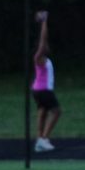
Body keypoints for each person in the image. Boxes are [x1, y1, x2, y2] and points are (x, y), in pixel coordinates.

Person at [32, 10, 61, 152]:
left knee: (43, 111)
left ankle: (40, 140)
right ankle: (44, 138)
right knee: (56, 112)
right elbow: (43, 40)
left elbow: (44, 41)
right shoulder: (39, 57)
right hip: (43, 90)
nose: (47, 46)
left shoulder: (43, 59)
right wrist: (44, 22)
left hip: (39, 90)